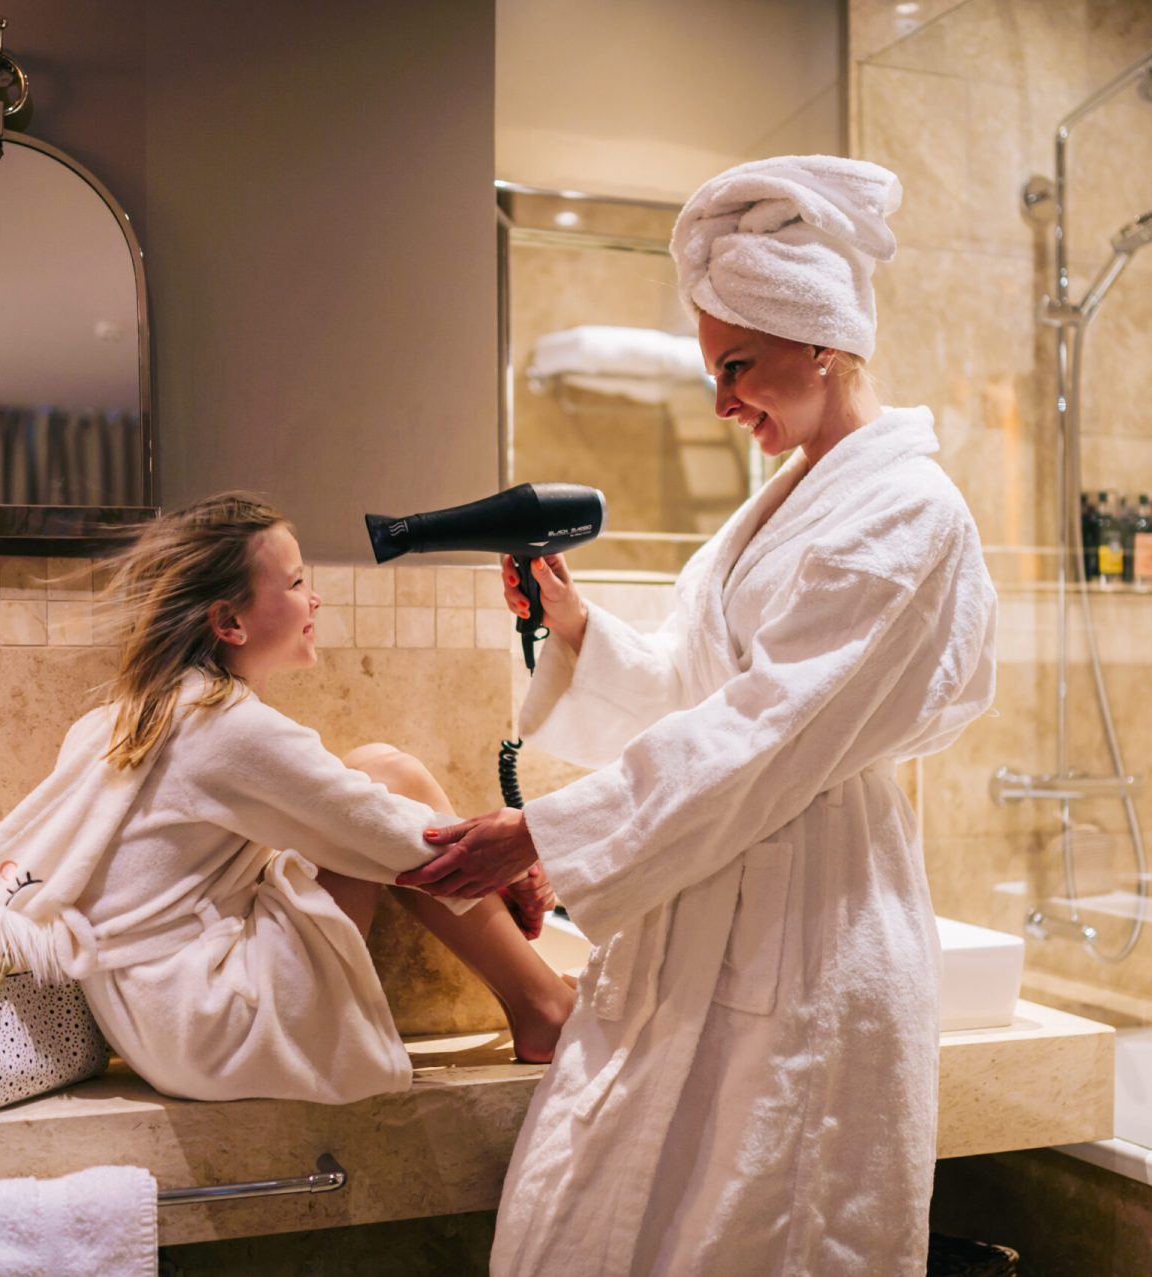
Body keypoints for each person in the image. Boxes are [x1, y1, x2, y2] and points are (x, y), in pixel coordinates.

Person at [396, 155, 999, 1274]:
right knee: (598, 1214)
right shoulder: (784, 499)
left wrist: (541, 830)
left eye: (737, 366)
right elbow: (701, 688)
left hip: (813, 928)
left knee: (766, 1225)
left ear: (820, 340)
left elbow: (769, 728)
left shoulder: (906, 510)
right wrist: (579, 629)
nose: (723, 402)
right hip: (714, 899)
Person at [0, 493, 573, 1105]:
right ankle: (544, 1006)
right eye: (297, 582)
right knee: (389, 776)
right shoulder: (224, 725)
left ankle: (538, 1000)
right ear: (230, 623)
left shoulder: (129, 717)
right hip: (219, 1027)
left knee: (380, 796)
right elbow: (381, 829)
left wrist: (506, 857)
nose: (314, 598)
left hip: (157, 1028)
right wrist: (516, 857)